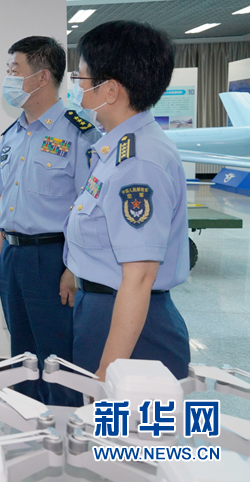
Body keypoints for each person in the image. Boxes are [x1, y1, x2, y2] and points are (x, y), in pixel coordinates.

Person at [65, 20, 190, 381]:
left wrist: (109, 371)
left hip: (131, 326)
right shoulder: (117, 148)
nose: (76, 87)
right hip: (106, 310)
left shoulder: (138, 162)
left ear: (110, 90)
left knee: (123, 416)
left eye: (81, 77)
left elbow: (139, 277)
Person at [0, 36, 100, 407]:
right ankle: (26, 418)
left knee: (57, 355)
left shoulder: (79, 133)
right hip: (13, 256)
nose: (8, 77)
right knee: (21, 353)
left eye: (14, 69)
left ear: (41, 77)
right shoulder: (12, 134)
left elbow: (89, 208)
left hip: (53, 259)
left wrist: (74, 268)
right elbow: (3, 197)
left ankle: (64, 426)